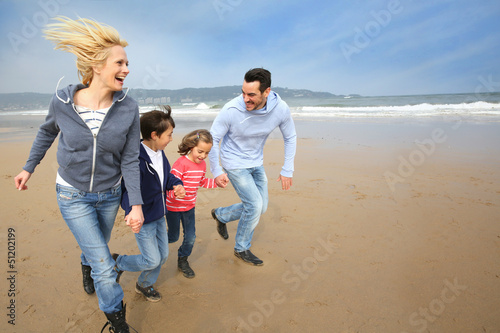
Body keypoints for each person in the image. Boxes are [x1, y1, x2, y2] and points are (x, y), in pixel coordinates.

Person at [14, 16, 144, 333]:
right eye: (120, 62)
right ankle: (118, 322)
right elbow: (46, 134)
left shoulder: (129, 107)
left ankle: (85, 262)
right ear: (97, 65)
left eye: (128, 63)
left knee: (96, 246)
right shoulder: (62, 102)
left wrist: (135, 203)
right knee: (104, 264)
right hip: (72, 194)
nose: (127, 69)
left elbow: (130, 157)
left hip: (109, 194)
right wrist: (28, 167)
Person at [208, 68, 297, 266]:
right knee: (255, 206)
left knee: (261, 207)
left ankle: (221, 215)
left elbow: (290, 136)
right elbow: (213, 138)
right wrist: (216, 170)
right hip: (234, 163)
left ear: (266, 92)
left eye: (251, 95)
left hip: (256, 162)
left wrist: (287, 169)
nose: (245, 99)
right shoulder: (231, 109)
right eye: (243, 93)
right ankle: (241, 248)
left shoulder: (280, 108)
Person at [115, 106, 185, 302]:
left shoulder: (159, 152)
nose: (171, 138)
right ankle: (118, 262)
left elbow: (165, 178)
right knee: (152, 259)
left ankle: (144, 284)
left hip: (159, 215)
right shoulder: (135, 159)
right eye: (169, 135)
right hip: (143, 218)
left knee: (162, 256)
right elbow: (128, 189)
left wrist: (176, 185)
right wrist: (130, 211)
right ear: (154, 135)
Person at [166, 129, 219, 278]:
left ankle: (182, 260)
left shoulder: (202, 165)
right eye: (200, 151)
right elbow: (170, 184)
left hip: (189, 207)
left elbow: (201, 181)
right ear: (191, 147)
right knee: (173, 237)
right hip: (173, 207)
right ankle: (155, 242)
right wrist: (176, 191)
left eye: (207, 153)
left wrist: (216, 182)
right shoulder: (180, 164)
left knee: (191, 237)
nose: (203, 156)